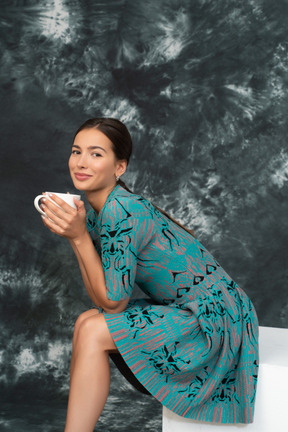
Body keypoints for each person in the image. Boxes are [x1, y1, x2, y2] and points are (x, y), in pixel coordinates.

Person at [39, 117, 258, 431]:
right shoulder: (99, 212)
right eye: (77, 152)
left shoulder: (123, 210)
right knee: (87, 321)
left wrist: (77, 238)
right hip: (189, 309)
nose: (82, 162)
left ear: (120, 167)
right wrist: (79, 236)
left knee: (92, 329)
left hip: (215, 317)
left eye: (96, 154)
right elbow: (102, 297)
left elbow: (113, 303)